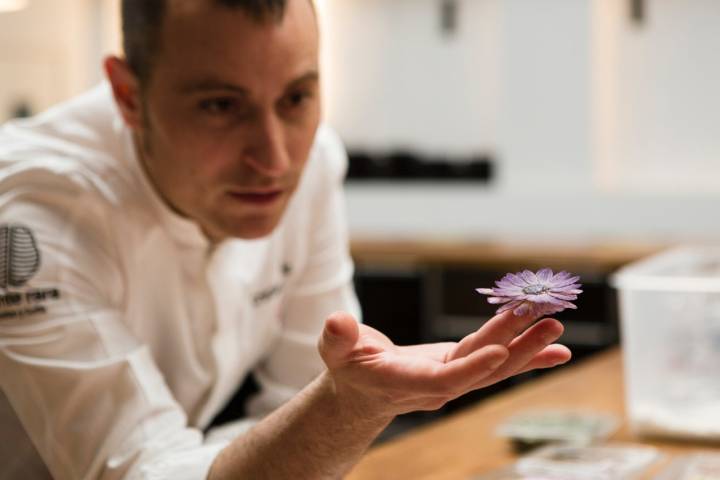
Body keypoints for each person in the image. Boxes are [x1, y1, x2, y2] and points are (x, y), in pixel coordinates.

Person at [0, 0, 572, 478]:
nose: (274, 160)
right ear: (129, 97)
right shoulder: (31, 211)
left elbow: (301, 399)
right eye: (221, 106)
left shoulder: (314, 164)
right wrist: (344, 410)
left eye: (296, 98)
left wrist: (340, 407)